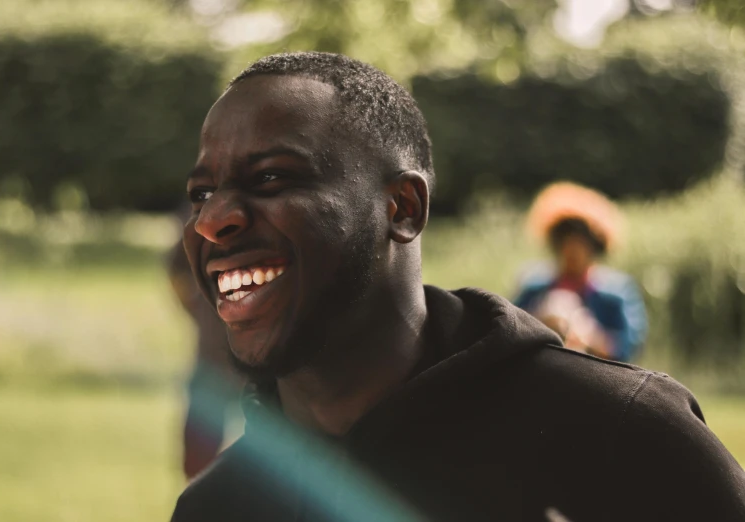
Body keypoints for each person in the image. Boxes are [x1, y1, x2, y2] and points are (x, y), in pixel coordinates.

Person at [171, 52, 745, 521]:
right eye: (202, 192)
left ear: (402, 208)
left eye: (272, 176)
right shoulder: (216, 507)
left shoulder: (621, 437)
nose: (211, 220)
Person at [513, 183, 648, 363]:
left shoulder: (616, 292)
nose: (572, 252)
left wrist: (590, 335)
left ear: (594, 247)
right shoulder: (534, 287)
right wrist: (540, 321)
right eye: (566, 243)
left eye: (580, 245)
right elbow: (510, 331)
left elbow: (628, 346)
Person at [167, 238, 243, 480]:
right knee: (197, 460)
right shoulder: (200, 216)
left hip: (264, 364)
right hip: (214, 360)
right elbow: (176, 268)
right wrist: (196, 309)